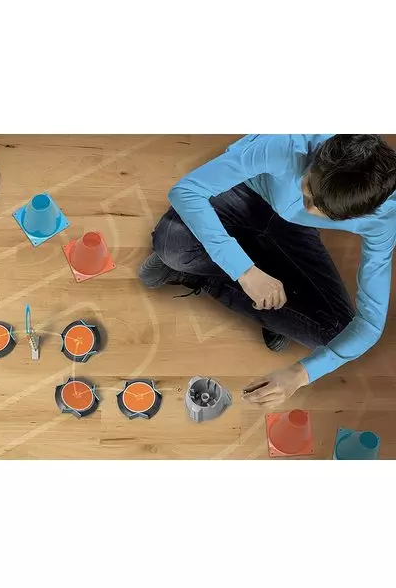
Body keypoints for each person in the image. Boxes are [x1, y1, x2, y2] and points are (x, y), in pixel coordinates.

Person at [139, 134, 396, 408]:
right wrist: (244, 271)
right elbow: (186, 191)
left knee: (338, 334)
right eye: (309, 187)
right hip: (243, 192)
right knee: (171, 245)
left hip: (294, 230)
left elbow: (369, 325)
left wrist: (301, 373)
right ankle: (199, 270)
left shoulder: (384, 218)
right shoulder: (288, 143)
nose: (307, 207)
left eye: (324, 210)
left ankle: (258, 301)